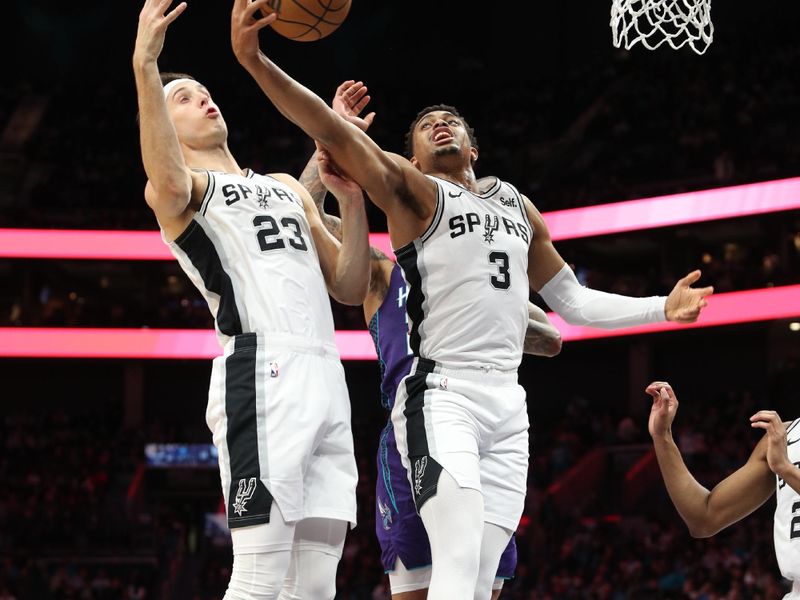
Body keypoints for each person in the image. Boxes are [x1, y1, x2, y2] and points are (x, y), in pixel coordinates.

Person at [230, 4, 713, 596]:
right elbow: (331, 133)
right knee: (455, 563)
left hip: (508, 404)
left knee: (482, 580)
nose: (441, 124)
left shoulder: (517, 207)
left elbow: (576, 305)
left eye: (452, 120)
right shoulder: (413, 193)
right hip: (440, 394)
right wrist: (254, 61)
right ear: (407, 158)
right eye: (427, 123)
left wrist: (662, 307)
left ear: (474, 148)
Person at [133, 2, 371, 598]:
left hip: (326, 371)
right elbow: (163, 179)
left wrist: (352, 189)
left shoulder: (286, 187)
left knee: (316, 585)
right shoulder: (186, 192)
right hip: (262, 373)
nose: (203, 100)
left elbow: (346, 285)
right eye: (182, 100)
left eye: (204, 91)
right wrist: (146, 64)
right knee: (261, 574)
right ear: (162, 124)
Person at [299, 82, 562, 599]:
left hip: (475, 419)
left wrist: (498, 321)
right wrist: (328, 140)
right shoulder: (380, 268)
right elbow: (301, 212)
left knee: (479, 585)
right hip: (409, 432)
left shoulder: (478, 263)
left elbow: (552, 339)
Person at [646, 381, 800, 599]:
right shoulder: (784, 434)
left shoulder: (781, 456)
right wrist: (662, 436)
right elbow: (704, 517)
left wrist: (785, 468)